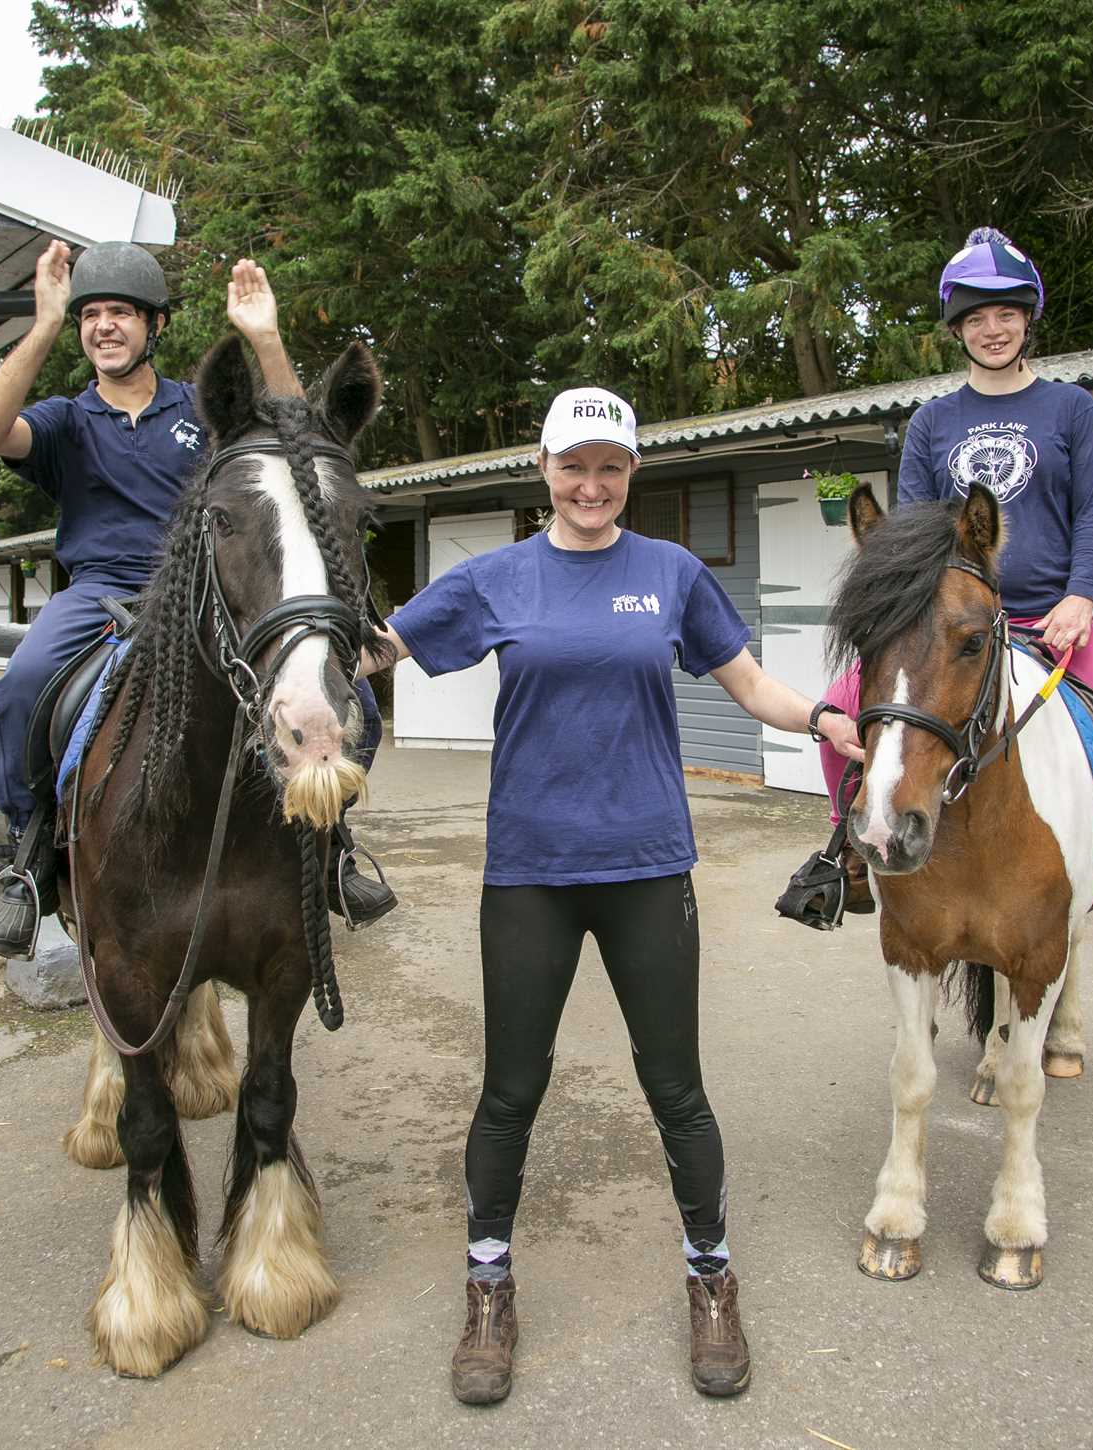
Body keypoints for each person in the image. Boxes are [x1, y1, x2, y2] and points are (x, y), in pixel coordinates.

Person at [359, 386, 862, 1404]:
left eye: (611, 467)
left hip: (645, 865)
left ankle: (710, 1277)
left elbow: (750, 685)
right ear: (541, 469)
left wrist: (821, 717)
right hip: (528, 873)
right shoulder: (494, 578)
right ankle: (487, 1285)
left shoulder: (669, 575)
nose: (590, 485)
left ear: (631, 475)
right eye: (573, 465)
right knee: (510, 1089)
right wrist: (291, 631)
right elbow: (379, 647)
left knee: (675, 1087)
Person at [0, 239, 395, 955]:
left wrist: (265, 340)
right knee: (17, 696)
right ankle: (31, 860)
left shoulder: (205, 412)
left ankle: (332, 843)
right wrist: (41, 324)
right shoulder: (66, 421)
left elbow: (299, 439)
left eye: (123, 314)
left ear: (154, 326)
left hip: (209, 590)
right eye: (91, 315)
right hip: (102, 592)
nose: (105, 325)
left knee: (360, 704)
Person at [797, 226, 1093, 914]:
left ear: (1028, 319)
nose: (993, 329)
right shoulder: (932, 422)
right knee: (839, 719)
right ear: (958, 328)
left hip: (1051, 622)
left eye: (1006, 313)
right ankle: (845, 853)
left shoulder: (1072, 409)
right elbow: (911, 538)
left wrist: (1081, 597)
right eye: (976, 317)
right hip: (950, 628)